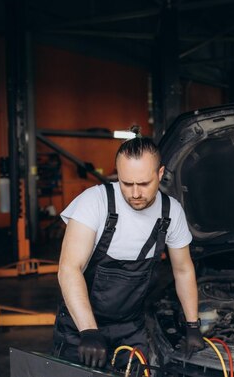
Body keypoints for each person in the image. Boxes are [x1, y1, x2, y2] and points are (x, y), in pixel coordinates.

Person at [52, 137, 204, 368]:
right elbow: (69, 269)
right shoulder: (94, 202)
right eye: (126, 183)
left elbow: (183, 270)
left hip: (130, 328)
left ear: (160, 173)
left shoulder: (170, 212)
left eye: (143, 183)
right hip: (79, 328)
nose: (135, 193)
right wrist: (89, 331)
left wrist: (193, 326)